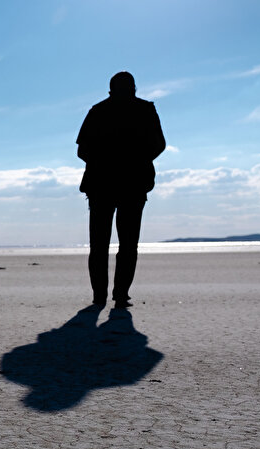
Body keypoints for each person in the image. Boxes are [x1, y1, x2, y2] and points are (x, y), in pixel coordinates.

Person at [76, 71, 166, 308]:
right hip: (119, 185)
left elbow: (82, 150)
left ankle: (107, 296)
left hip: (116, 185)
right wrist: (136, 160)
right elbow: (159, 145)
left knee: (106, 245)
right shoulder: (135, 110)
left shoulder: (102, 110)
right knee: (121, 245)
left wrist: (111, 161)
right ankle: (114, 295)